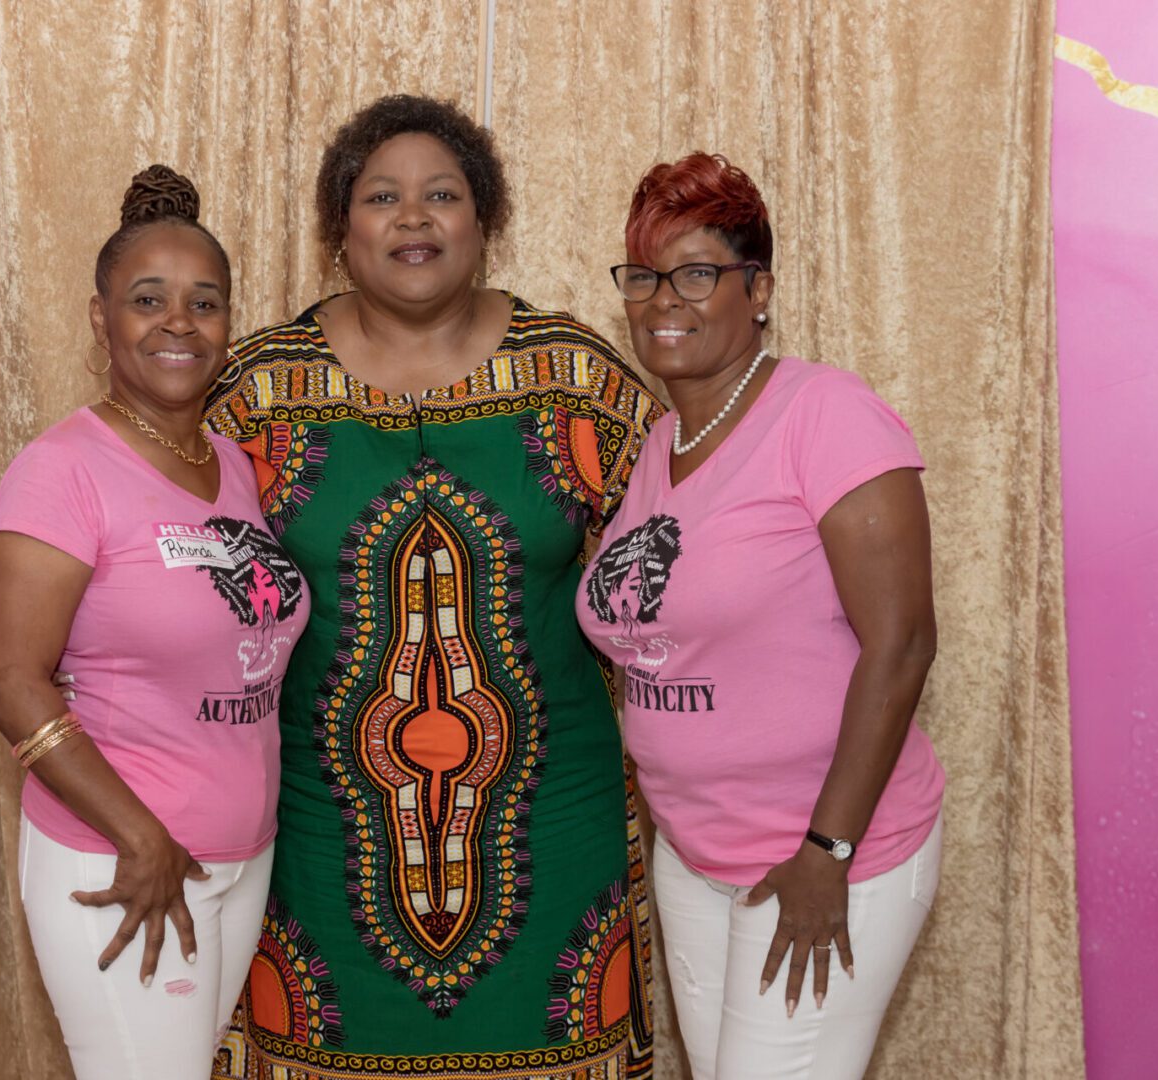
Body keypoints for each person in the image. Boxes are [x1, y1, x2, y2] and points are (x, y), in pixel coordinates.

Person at [205, 95, 662, 1078]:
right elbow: (164, 575)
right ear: (340, 232)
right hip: (317, 852)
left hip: (556, 841)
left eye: (441, 195)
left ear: (484, 222)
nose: (413, 219)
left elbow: (685, 568)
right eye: (382, 197)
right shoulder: (252, 394)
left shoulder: (576, 377)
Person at [577, 151, 946, 1079]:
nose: (666, 299)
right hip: (698, 858)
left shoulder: (826, 413)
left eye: (698, 273)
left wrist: (829, 851)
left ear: (759, 288)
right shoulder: (663, 443)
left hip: (824, 857)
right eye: (645, 277)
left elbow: (901, 645)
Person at [0, 165, 309, 1079]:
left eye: (204, 302)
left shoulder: (235, 465)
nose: (178, 322)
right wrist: (141, 836)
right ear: (100, 319)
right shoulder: (61, 471)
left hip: (237, 858)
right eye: (147, 299)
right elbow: (7, 680)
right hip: (125, 862)